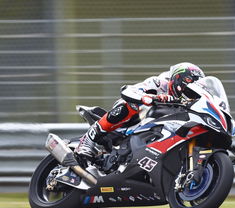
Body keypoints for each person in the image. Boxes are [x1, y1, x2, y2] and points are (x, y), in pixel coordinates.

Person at [75, 62, 205, 161]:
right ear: (178, 79)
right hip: (133, 121)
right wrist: (153, 98)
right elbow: (128, 91)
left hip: (156, 131)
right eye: (189, 86)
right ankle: (88, 140)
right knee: (131, 106)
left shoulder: (187, 103)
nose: (190, 92)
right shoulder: (160, 83)